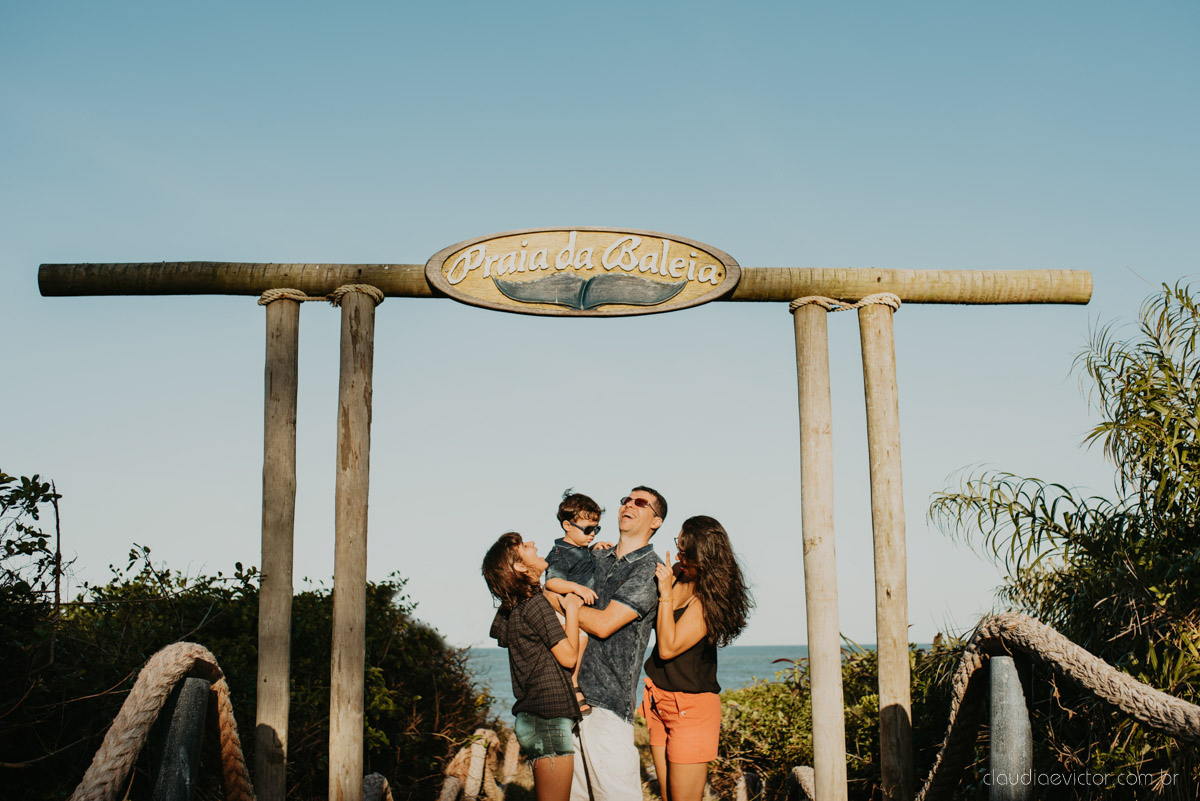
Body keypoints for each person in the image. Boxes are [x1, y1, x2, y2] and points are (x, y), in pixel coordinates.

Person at [561, 486, 668, 801]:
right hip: (566, 696)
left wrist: (561, 603)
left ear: (656, 521)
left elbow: (604, 624)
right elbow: (551, 582)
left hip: (608, 701)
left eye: (640, 503)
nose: (628, 505)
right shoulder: (593, 556)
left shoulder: (649, 570)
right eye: (626, 500)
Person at [641, 516, 752, 801]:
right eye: (677, 546)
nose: (678, 555)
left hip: (689, 709)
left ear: (702, 557)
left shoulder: (708, 600)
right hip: (658, 699)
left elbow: (667, 647)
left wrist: (665, 593)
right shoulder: (680, 574)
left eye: (684, 551)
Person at [483, 532, 586, 801]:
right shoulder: (535, 603)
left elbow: (499, 634)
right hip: (548, 718)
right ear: (519, 566)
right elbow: (568, 657)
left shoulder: (518, 604)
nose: (533, 544)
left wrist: (520, 588)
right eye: (524, 546)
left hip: (534, 719)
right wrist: (572, 609)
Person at [544, 490, 605, 711]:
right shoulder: (561, 553)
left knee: (581, 641)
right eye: (587, 529)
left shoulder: (580, 549)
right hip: (562, 607)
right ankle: (572, 684)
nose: (592, 534)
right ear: (567, 526)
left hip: (574, 608)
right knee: (578, 640)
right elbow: (552, 582)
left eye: (596, 529)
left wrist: (593, 549)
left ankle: (572, 683)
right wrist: (575, 588)